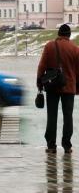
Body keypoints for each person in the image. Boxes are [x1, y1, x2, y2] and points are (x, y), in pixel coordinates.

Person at [37, 24, 79, 154]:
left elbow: (42, 65)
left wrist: (39, 82)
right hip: (69, 87)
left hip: (52, 87)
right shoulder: (75, 49)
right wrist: (77, 88)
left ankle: (51, 145)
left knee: (52, 116)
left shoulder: (50, 46)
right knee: (68, 117)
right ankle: (67, 146)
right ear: (69, 35)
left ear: (58, 34)